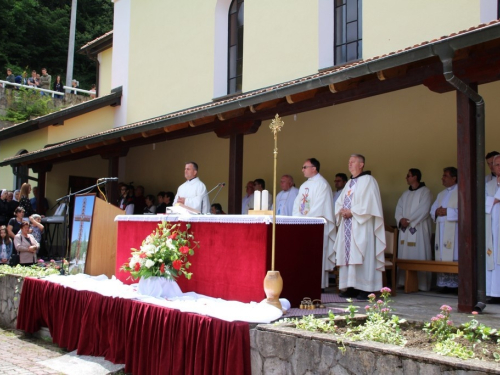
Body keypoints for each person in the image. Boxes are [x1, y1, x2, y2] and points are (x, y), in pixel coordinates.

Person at [332, 154, 385, 300]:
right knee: (348, 255)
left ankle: (366, 288)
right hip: (347, 225)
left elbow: (370, 203)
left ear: (361, 164)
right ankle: (351, 287)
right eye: (348, 161)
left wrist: (352, 211)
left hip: (362, 225)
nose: (349, 164)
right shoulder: (349, 183)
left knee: (362, 254)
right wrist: (341, 210)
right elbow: (340, 201)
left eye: (353, 162)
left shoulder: (369, 180)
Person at [292, 158, 336, 289]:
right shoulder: (304, 185)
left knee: (316, 254)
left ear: (314, 168)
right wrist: (298, 217)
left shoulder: (322, 184)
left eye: (304, 167)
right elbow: (297, 204)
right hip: (303, 224)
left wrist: (305, 218)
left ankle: (318, 285)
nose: (302, 170)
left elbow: (320, 207)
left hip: (316, 226)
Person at [395, 168, 433, 291]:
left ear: (415, 177)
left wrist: (409, 220)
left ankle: (421, 284)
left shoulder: (425, 192)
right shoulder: (405, 194)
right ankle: (403, 281)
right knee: (404, 254)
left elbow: (424, 209)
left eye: (408, 176)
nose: (406, 178)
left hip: (418, 228)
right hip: (405, 230)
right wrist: (401, 219)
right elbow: (398, 209)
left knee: (419, 253)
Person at [430, 167, 459, 292]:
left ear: (454, 178)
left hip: (455, 230)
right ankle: (443, 285)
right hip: (441, 229)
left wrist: (448, 211)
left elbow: (466, 211)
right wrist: (437, 211)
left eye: (445, 175)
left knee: (454, 255)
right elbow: (432, 210)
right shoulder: (441, 194)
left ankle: (456, 285)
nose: (442, 178)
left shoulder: (462, 191)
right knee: (442, 255)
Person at [485, 155, 500, 302]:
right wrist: (494, 199)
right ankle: (494, 293)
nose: (498, 167)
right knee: (492, 257)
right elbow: (483, 201)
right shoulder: (488, 185)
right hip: (492, 228)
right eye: (496, 165)